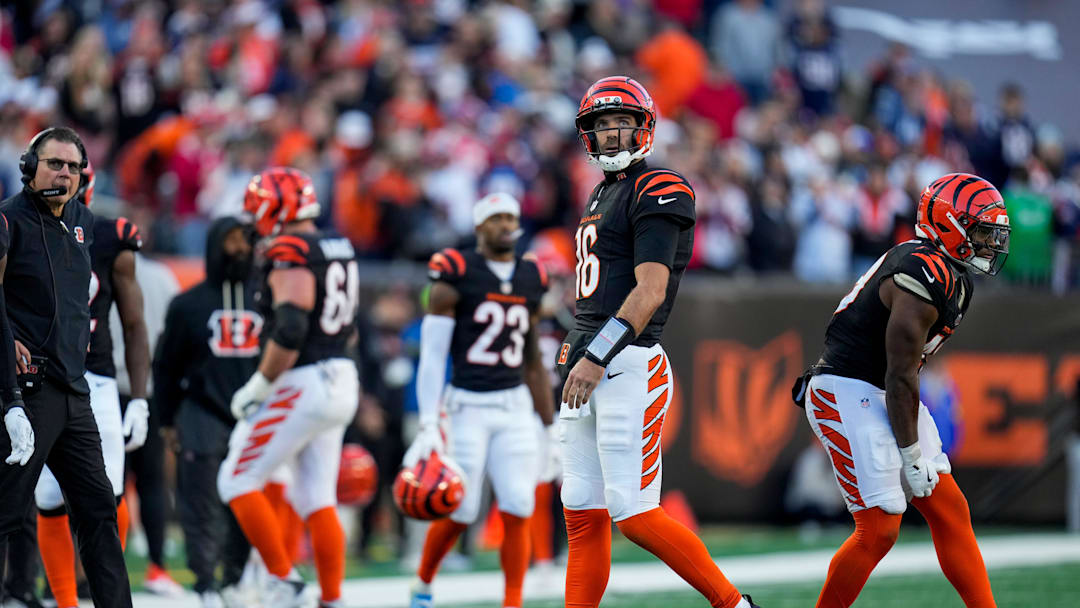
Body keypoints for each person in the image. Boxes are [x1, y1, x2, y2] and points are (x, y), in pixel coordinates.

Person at [556, 77, 759, 608]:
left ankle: (735, 605)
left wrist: (595, 355)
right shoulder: (601, 191)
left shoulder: (658, 186)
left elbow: (650, 291)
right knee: (581, 509)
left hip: (625, 361)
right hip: (587, 359)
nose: (611, 133)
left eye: (621, 121)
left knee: (633, 511)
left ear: (644, 126)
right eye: (601, 124)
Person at [796, 172, 1009, 607]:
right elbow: (900, 374)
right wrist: (911, 457)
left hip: (884, 388)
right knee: (879, 528)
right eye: (981, 231)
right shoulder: (921, 271)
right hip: (847, 387)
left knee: (950, 510)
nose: (990, 244)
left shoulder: (952, 276)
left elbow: (903, 373)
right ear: (950, 226)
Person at [0, 127, 131, 607]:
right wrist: (9, 397)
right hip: (26, 391)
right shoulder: (7, 220)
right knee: (6, 514)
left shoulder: (82, 221)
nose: (64, 174)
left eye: (73, 167)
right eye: (55, 164)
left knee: (99, 512)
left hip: (75, 394)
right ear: (29, 167)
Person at [217, 167, 360, 608]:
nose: (252, 220)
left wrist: (261, 383)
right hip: (341, 375)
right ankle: (332, 598)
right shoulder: (338, 245)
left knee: (236, 479)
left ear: (276, 208)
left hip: (303, 380)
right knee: (317, 496)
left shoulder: (290, 248)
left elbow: (292, 327)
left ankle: (284, 582)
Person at [405, 192, 555, 608]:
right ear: (478, 227)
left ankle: (513, 601)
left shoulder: (531, 276)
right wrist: (429, 422)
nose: (505, 224)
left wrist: (549, 425)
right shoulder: (457, 271)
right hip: (466, 406)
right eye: (496, 218)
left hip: (514, 405)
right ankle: (423, 582)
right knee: (460, 510)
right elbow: (433, 356)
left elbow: (532, 360)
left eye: (511, 217)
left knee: (519, 504)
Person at [32, 161, 149, 608]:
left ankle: (105, 594)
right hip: (41, 377)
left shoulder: (110, 237)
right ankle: (64, 600)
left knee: (108, 494)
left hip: (95, 380)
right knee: (47, 497)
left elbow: (134, 323)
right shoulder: (19, 227)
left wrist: (139, 398)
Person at [157, 215, 261, 608]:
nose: (240, 248)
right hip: (201, 411)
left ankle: (233, 579)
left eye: (245, 240)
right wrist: (167, 419)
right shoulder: (187, 304)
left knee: (245, 503)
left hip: (254, 417)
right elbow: (166, 366)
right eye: (231, 240)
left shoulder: (267, 297)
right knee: (200, 503)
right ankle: (205, 583)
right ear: (215, 246)